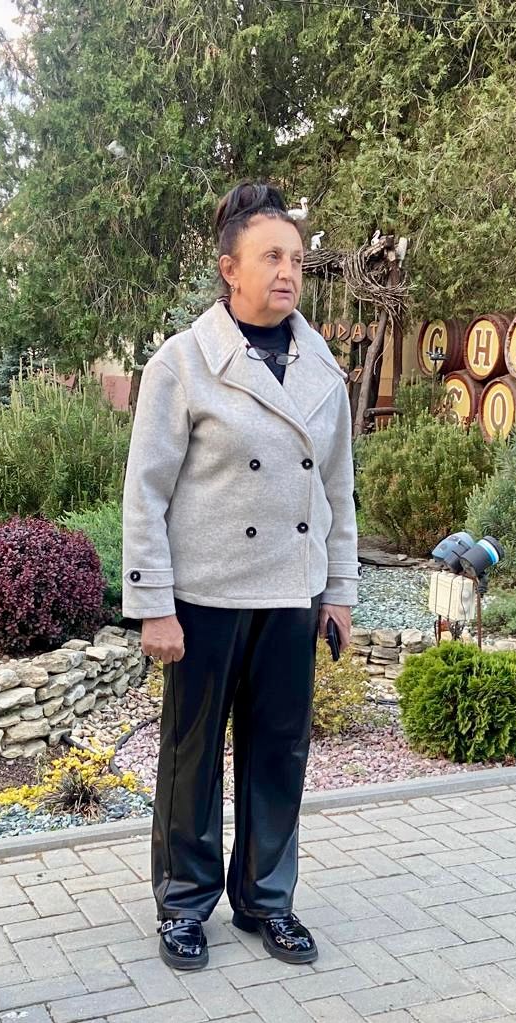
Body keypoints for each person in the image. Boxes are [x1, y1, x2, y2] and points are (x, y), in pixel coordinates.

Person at [123, 182, 359, 972]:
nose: (288, 271)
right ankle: (184, 903)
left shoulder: (323, 367)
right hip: (206, 596)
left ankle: (266, 900)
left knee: (279, 754)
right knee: (192, 758)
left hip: (291, 590)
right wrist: (154, 604)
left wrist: (339, 591)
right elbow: (145, 491)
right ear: (230, 268)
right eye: (271, 257)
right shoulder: (184, 362)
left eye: (296, 258)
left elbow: (338, 491)